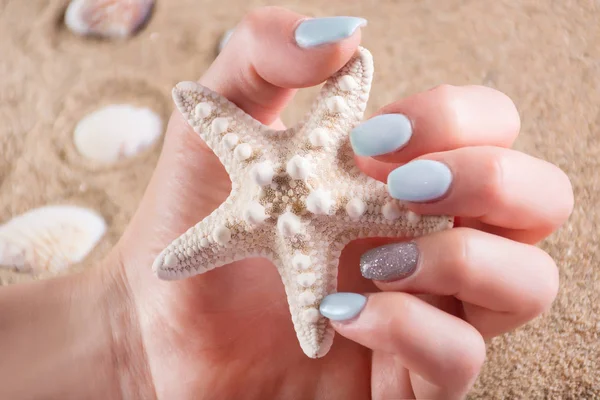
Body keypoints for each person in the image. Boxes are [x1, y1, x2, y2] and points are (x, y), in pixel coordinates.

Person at [0, 7, 574, 400]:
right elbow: (202, 110)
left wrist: (116, 327)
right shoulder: (249, 173)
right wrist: (120, 333)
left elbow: (344, 80)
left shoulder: (289, 154)